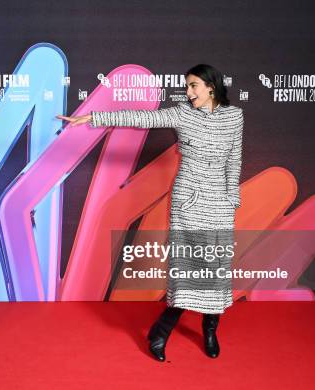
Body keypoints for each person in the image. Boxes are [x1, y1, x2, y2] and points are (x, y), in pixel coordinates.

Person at [58, 64, 243, 361]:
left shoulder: (234, 117)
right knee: (186, 274)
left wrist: (232, 199)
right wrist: (93, 117)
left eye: (194, 86)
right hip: (189, 202)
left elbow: (234, 160)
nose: (188, 92)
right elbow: (142, 117)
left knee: (215, 271)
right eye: (187, 86)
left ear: (211, 87)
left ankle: (210, 329)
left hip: (219, 204)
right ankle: (161, 331)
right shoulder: (182, 113)